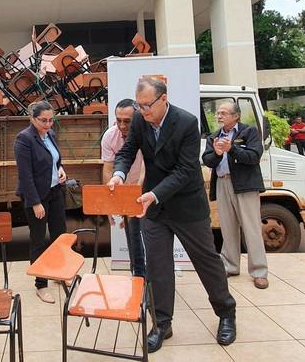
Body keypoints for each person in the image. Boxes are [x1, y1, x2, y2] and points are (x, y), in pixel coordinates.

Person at [108, 77, 236, 353]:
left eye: (147, 106)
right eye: (139, 106)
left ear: (163, 99)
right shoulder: (141, 120)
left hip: (187, 206)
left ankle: (226, 313)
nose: (142, 112)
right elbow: (128, 150)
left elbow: (185, 170)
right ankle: (162, 323)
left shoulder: (188, 123)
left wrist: (154, 193)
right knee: (157, 266)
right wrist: (119, 173)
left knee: (207, 262)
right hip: (153, 208)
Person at [202, 101, 269, 289]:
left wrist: (232, 149)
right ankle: (230, 266)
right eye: (218, 113)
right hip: (223, 183)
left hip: (245, 186)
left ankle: (259, 271)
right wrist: (216, 153)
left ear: (236, 116)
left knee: (251, 228)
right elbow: (207, 160)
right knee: (227, 227)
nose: (219, 116)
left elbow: (253, 157)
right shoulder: (214, 136)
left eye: (223, 113)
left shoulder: (249, 132)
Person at [14, 101, 68, 304]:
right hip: (36, 196)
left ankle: (59, 273)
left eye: (50, 120)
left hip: (55, 192)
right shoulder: (24, 139)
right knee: (39, 240)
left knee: (60, 236)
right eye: (43, 120)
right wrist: (35, 202)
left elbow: (54, 160)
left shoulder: (51, 135)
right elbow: (25, 175)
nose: (48, 124)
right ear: (32, 118)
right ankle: (41, 284)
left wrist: (61, 169)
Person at [101, 98, 146, 277]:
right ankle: (139, 276)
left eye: (127, 121)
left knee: (151, 234)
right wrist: (111, 202)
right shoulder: (110, 136)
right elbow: (108, 168)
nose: (121, 125)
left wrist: (138, 193)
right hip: (125, 188)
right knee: (133, 235)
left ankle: (155, 278)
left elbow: (145, 168)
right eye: (118, 120)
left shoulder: (146, 133)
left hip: (147, 186)